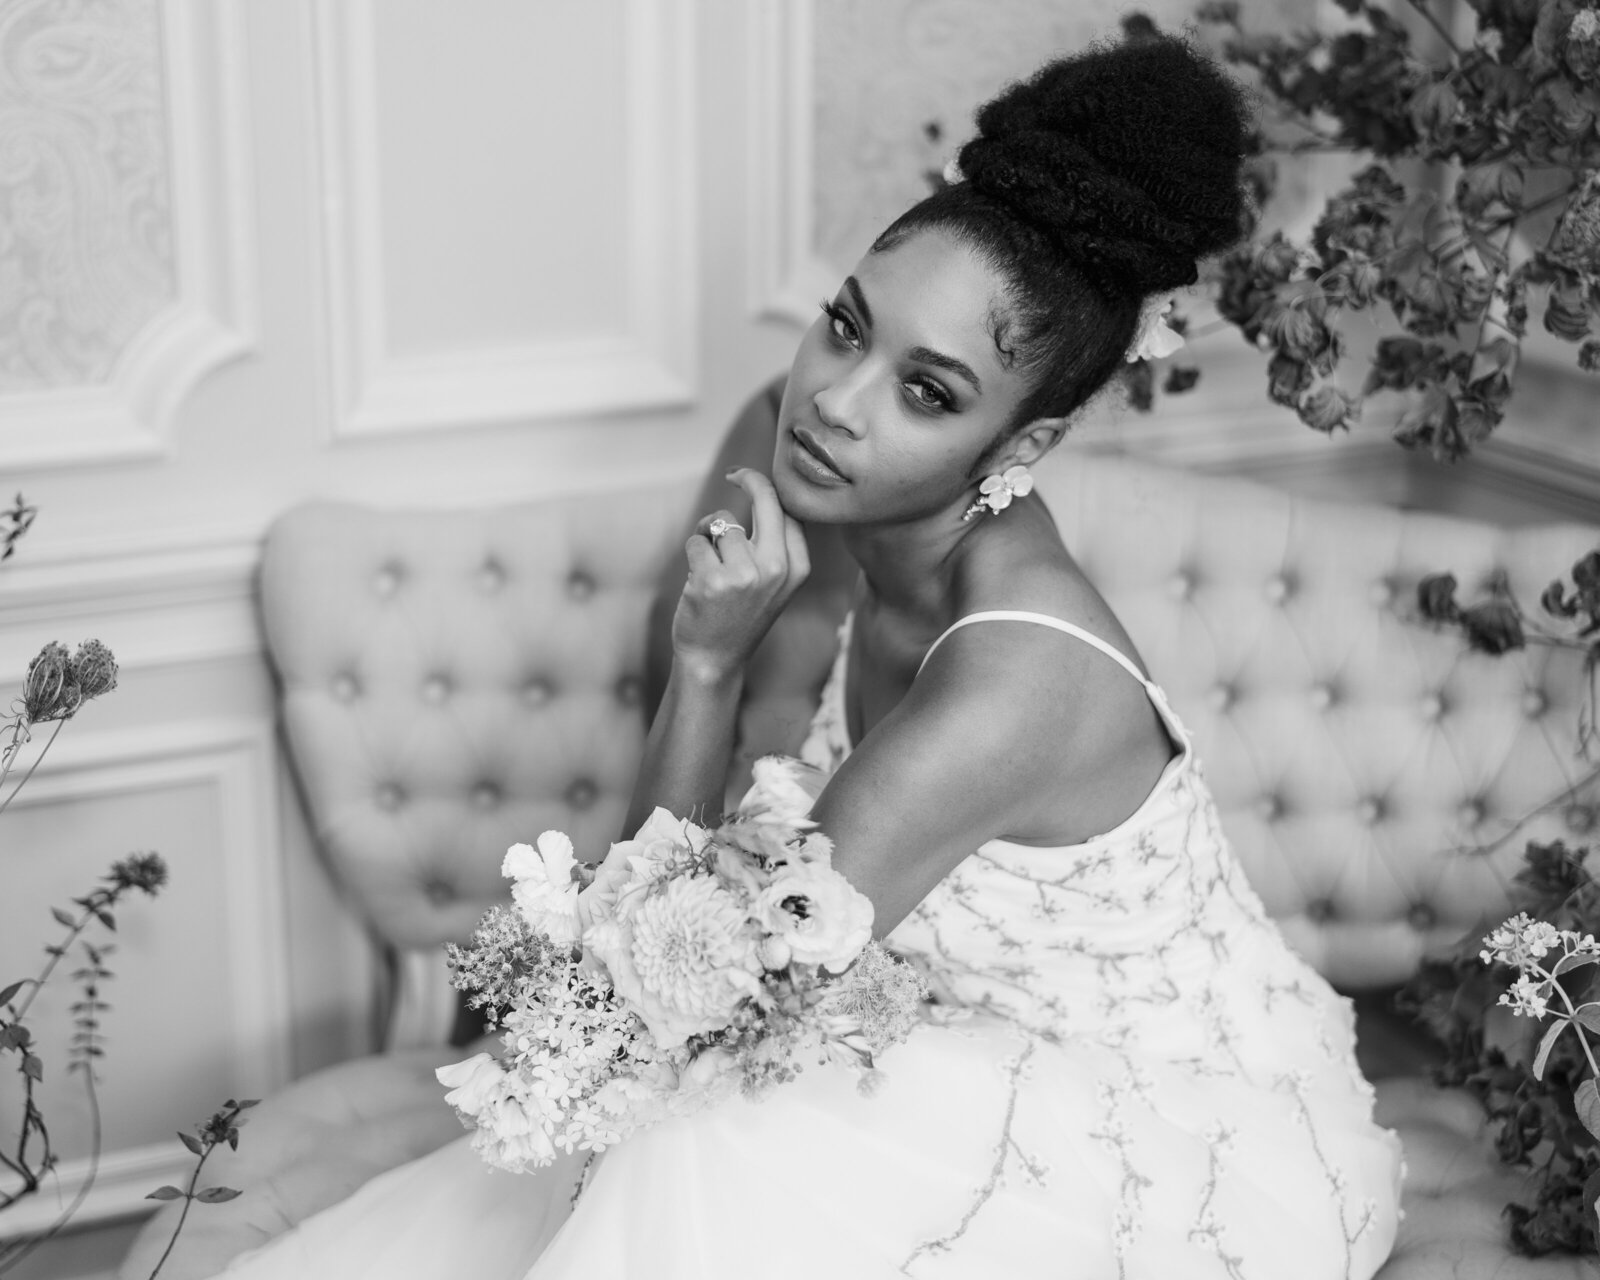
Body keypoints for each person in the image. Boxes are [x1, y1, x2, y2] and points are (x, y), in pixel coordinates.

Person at [207, 32, 1402, 1279]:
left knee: (699, 1145)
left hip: (1173, 1142)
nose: (835, 398)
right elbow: (655, 942)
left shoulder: (1015, 681)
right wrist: (706, 662)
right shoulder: (820, 508)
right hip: (926, 1040)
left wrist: (710, 668)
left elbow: (657, 1015)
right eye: (846, 327)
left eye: (927, 392)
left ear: (1025, 440)